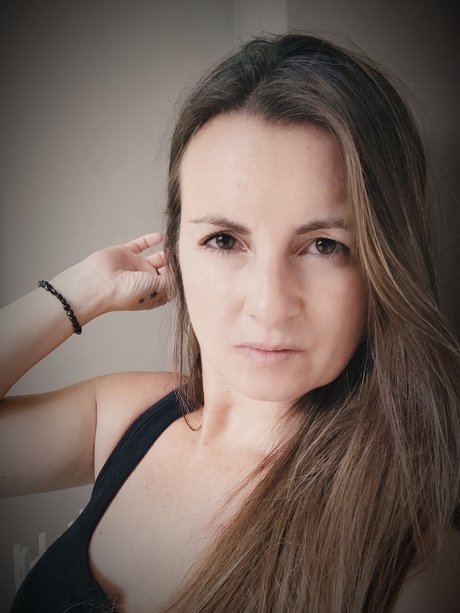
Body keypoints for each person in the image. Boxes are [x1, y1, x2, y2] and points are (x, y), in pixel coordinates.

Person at [1, 32, 459, 613]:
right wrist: (81, 290)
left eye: (324, 245)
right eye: (223, 239)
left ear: (382, 264)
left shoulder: (417, 568)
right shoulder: (127, 419)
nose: (269, 304)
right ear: (176, 250)